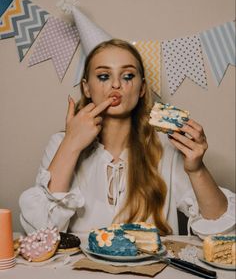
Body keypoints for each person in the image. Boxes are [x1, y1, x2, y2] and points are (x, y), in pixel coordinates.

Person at [19, 39, 235, 239]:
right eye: (104, 76)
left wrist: (197, 170)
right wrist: (71, 145)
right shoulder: (60, 143)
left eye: (128, 76)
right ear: (86, 87)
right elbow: (40, 236)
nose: (116, 85)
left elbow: (221, 230)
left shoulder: (166, 148)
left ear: (141, 88)